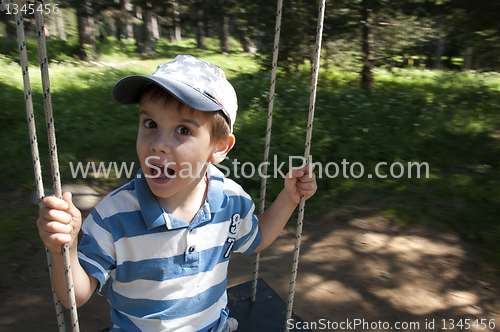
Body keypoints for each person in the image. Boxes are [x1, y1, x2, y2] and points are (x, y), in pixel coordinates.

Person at [37, 54, 317, 332]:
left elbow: (256, 238)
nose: (159, 144)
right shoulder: (113, 216)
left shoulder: (231, 200)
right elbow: (76, 295)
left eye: (183, 130)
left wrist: (289, 198)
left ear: (219, 146)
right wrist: (65, 249)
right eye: (150, 124)